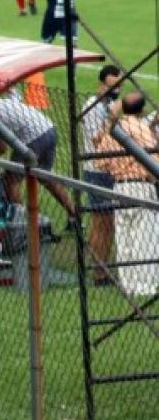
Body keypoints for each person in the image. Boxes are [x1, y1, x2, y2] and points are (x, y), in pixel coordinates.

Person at [92, 92, 159, 296]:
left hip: (119, 187)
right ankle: (144, 285)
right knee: (144, 236)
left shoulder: (115, 129)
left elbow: (100, 162)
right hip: (140, 185)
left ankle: (128, 284)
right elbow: (154, 164)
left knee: (123, 237)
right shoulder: (142, 130)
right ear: (141, 110)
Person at [0, 90, 77, 222]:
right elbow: (1, 146)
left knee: (11, 182)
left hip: (33, 137)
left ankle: (18, 222)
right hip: (49, 128)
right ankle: (74, 216)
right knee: (45, 176)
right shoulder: (2, 104)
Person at [80, 65, 122, 285]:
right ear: (103, 83)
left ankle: (102, 265)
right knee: (101, 223)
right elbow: (97, 140)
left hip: (110, 169)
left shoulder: (111, 105)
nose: (118, 89)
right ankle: (99, 272)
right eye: (114, 85)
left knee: (109, 222)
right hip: (97, 170)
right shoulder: (92, 107)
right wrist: (112, 120)